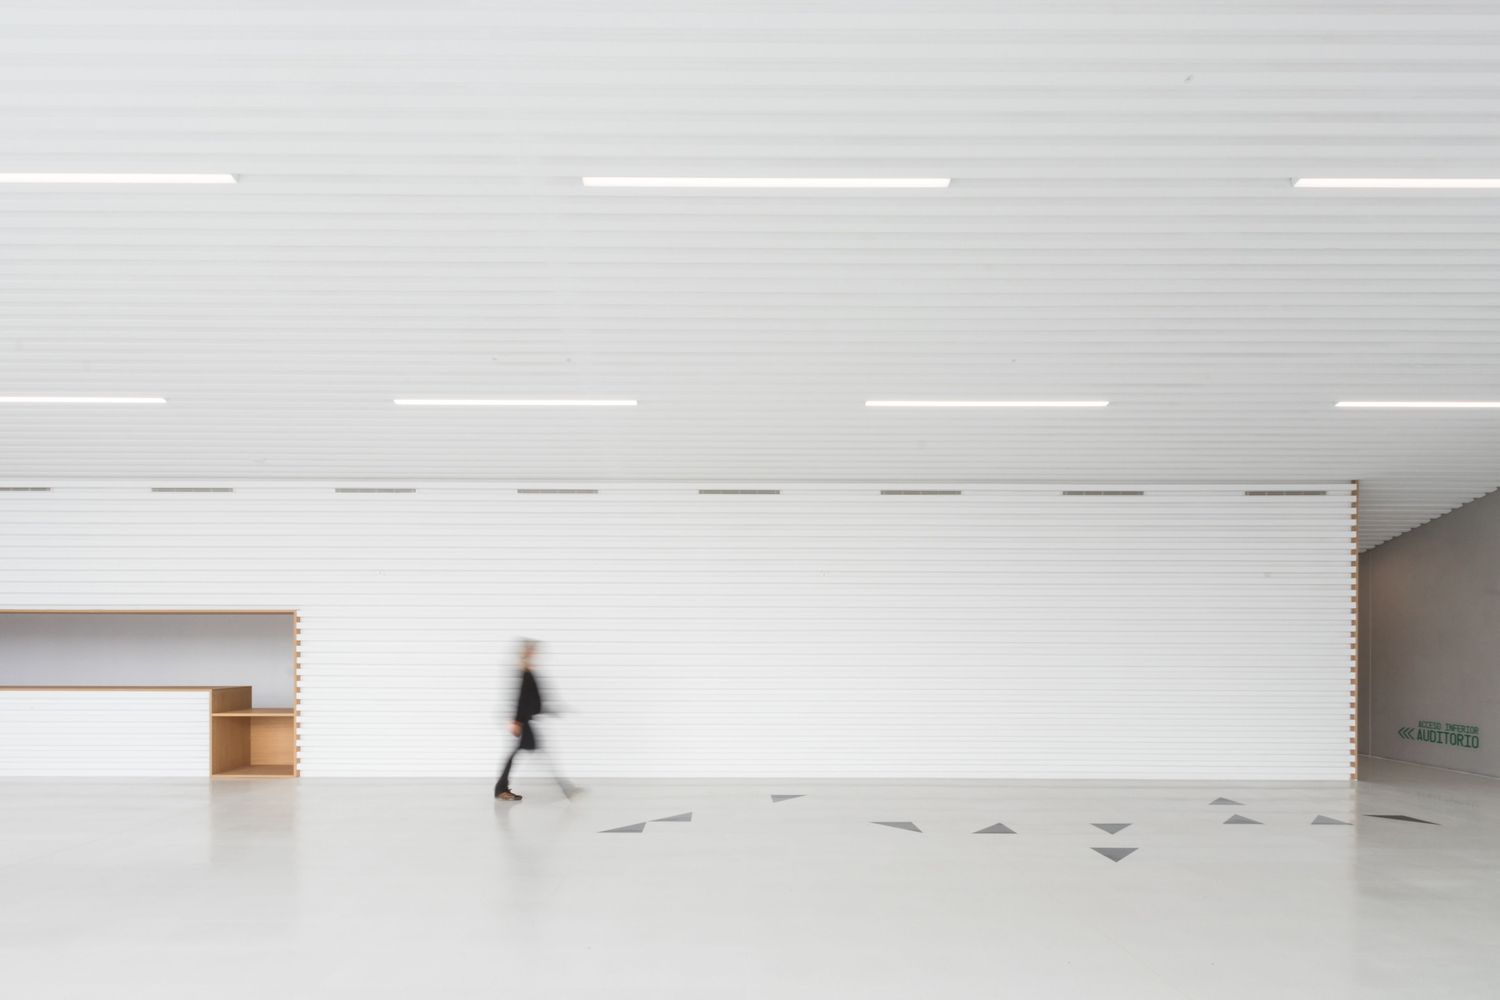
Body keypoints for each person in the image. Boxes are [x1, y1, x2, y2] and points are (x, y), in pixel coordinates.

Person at [494, 638, 574, 801]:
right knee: (538, 753)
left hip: (526, 720)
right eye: (531, 650)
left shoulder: (528, 671)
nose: (535, 653)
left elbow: (533, 700)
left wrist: (549, 710)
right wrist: (517, 721)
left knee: (525, 753)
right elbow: (522, 699)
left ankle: (501, 788)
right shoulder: (524, 672)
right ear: (526, 652)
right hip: (524, 721)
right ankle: (566, 788)